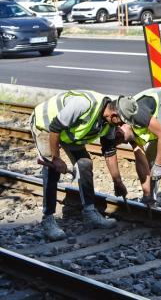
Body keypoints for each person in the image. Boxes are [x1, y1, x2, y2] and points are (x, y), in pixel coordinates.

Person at [30, 90, 128, 241]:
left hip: (67, 132)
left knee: (85, 164)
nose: (122, 126)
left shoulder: (109, 122)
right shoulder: (83, 104)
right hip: (46, 126)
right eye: (121, 122)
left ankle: (89, 213)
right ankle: (48, 219)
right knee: (52, 169)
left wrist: (118, 181)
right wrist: (56, 159)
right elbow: (55, 128)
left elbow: (109, 151)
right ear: (112, 115)